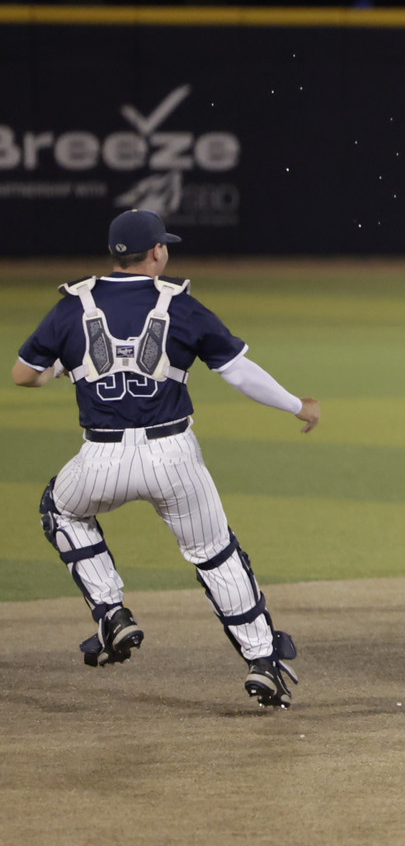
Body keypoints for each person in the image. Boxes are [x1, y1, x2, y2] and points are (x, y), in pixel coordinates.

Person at [14, 209, 321, 708]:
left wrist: (55, 373)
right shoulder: (179, 305)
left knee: (61, 509)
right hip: (172, 457)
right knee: (215, 554)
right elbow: (238, 371)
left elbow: (23, 373)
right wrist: (296, 405)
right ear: (155, 252)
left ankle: (112, 612)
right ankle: (262, 661)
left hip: (100, 460)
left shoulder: (72, 305)